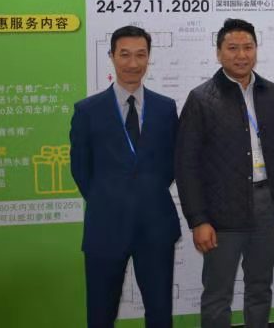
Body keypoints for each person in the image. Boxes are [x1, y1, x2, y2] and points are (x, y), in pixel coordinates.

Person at [175, 18, 274, 328]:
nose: (241, 55)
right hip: (221, 212)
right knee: (218, 295)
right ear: (219, 53)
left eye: (248, 47)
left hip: (266, 205)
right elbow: (186, 165)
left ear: (256, 50)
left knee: (260, 288)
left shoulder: (272, 93)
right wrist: (198, 220)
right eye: (232, 48)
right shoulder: (201, 99)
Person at [70, 25, 180, 328]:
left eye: (140, 55)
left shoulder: (165, 108)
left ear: (149, 57)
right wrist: (109, 198)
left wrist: (145, 192)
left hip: (155, 227)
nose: (133, 63)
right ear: (112, 56)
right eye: (125, 55)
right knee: (100, 315)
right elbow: (81, 169)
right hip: (105, 228)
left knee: (160, 314)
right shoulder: (87, 111)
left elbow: (172, 164)